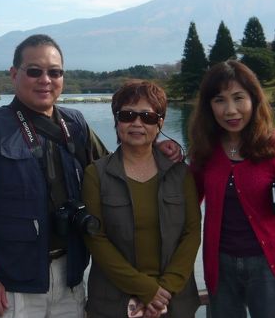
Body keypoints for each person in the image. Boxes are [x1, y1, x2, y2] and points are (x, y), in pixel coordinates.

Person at [0, 34, 181, 318]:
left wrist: (154, 146)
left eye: (55, 72)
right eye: (34, 71)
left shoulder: (74, 124)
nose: (45, 80)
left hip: (71, 274)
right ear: (14, 74)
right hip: (13, 280)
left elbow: (114, 169)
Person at [188, 61, 275, 318]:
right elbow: (185, 201)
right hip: (220, 266)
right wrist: (164, 155)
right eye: (219, 100)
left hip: (268, 268)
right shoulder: (206, 151)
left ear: (254, 99)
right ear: (208, 106)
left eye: (239, 98)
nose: (231, 110)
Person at [82, 80, 201, 318]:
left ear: (160, 123)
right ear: (117, 121)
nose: (137, 123)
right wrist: (145, 289)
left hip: (174, 300)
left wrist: (165, 289)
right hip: (113, 302)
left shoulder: (180, 173)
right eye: (127, 115)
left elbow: (192, 232)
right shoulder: (96, 174)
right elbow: (96, 238)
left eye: (147, 116)